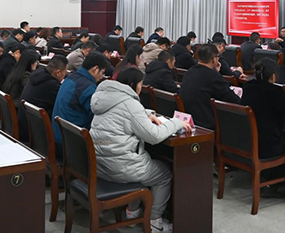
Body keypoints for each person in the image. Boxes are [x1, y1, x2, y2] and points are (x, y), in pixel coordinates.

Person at [91, 67, 189, 232]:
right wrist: (177, 122)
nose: (141, 88)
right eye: (140, 84)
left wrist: (147, 114)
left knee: (143, 166)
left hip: (101, 165)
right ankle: (155, 221)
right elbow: (154, 136)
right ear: (132, 84)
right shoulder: (130, 103)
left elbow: (124, 113)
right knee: (164, 174)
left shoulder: (103, 98)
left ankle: (132, 213)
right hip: (120, 167)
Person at [241, 58, 285, 196]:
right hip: (268, 145)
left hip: (249, 142)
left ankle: (272, 178)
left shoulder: (248, 87)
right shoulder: (274, 91)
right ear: (273, 76)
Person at [51, 52, 110, 150]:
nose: (101, 77)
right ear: (95, 69)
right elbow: (97, 118)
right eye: (102, 72)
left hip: (58, 136)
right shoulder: (87, 88)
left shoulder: (70, 78)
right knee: (111, 143)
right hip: (72, 144)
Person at [179, 44, 240, 130]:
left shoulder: (189, 72)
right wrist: (217, 74)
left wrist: (216, 73)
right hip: (206, 124)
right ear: (213, 59)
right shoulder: (213, 77)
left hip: (191, 119)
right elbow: (234, 100)